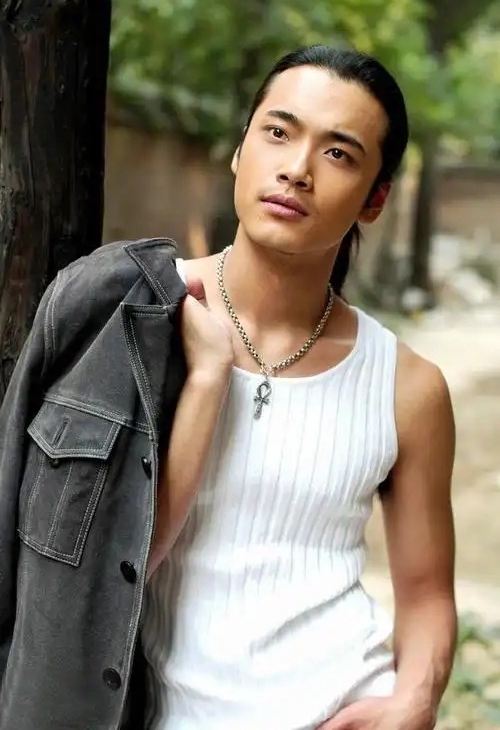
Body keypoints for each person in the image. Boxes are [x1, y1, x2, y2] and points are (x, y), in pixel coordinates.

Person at [0, 45, 456, 730]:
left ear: (375, 199)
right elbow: (98, 571)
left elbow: (425, 595)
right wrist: (208, 380)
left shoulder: (408, 386)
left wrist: (415, 700)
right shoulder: (123, 312)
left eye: (338, 153)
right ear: (241, 151)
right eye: (278, 132)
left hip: (335, 705)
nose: (297, 169)